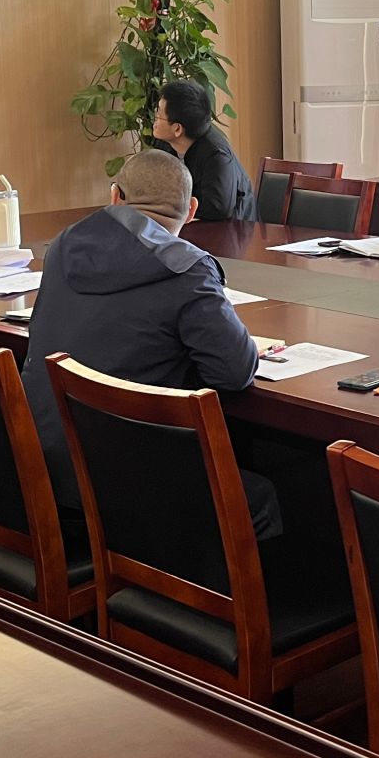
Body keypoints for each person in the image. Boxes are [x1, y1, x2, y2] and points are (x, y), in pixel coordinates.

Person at [19, 148, 279, 539]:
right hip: (132, 489)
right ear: (191, 210)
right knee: (262, 498)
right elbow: (234, 372)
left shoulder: (62, 245)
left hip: (42, 469)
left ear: (115, 196)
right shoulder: (187, 269)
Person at [149, 78, 254, 222]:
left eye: (159, 115)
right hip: (190, 226)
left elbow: (217, 208)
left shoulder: (216, 155)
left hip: (235, 229)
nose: (154, 119)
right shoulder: (165, 144)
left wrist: (169, 205)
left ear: (177, 129)